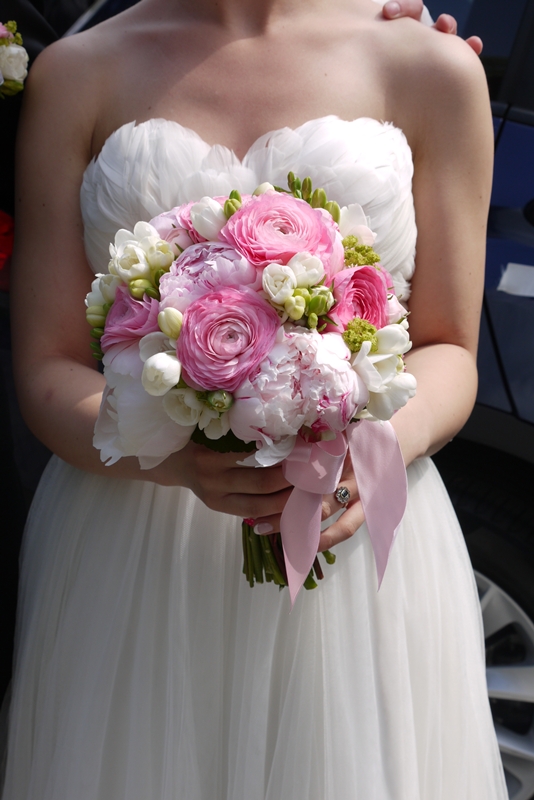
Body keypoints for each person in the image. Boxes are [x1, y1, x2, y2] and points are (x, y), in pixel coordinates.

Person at [2, 0, 506, 797]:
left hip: (348, 544)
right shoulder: (76, 73)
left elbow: (450, 347)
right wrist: (176, 462)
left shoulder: (432, 68)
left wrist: (370, 454)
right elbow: (46, 366)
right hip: (130, 552)